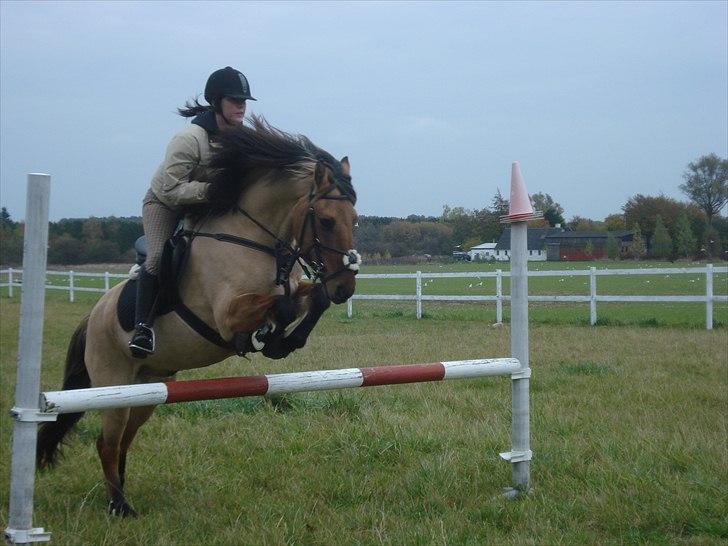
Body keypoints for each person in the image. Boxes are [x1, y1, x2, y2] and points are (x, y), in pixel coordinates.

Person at [128, 66, 256, 358]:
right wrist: (213, 191)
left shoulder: (242, 138)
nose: (241, 106)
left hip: (206, 207)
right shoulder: (189, 138)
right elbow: (172, 190)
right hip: (164, 204)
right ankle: (143, 327)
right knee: (159, 255)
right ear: (217, 102)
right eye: (234, 99)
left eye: (244, 100)